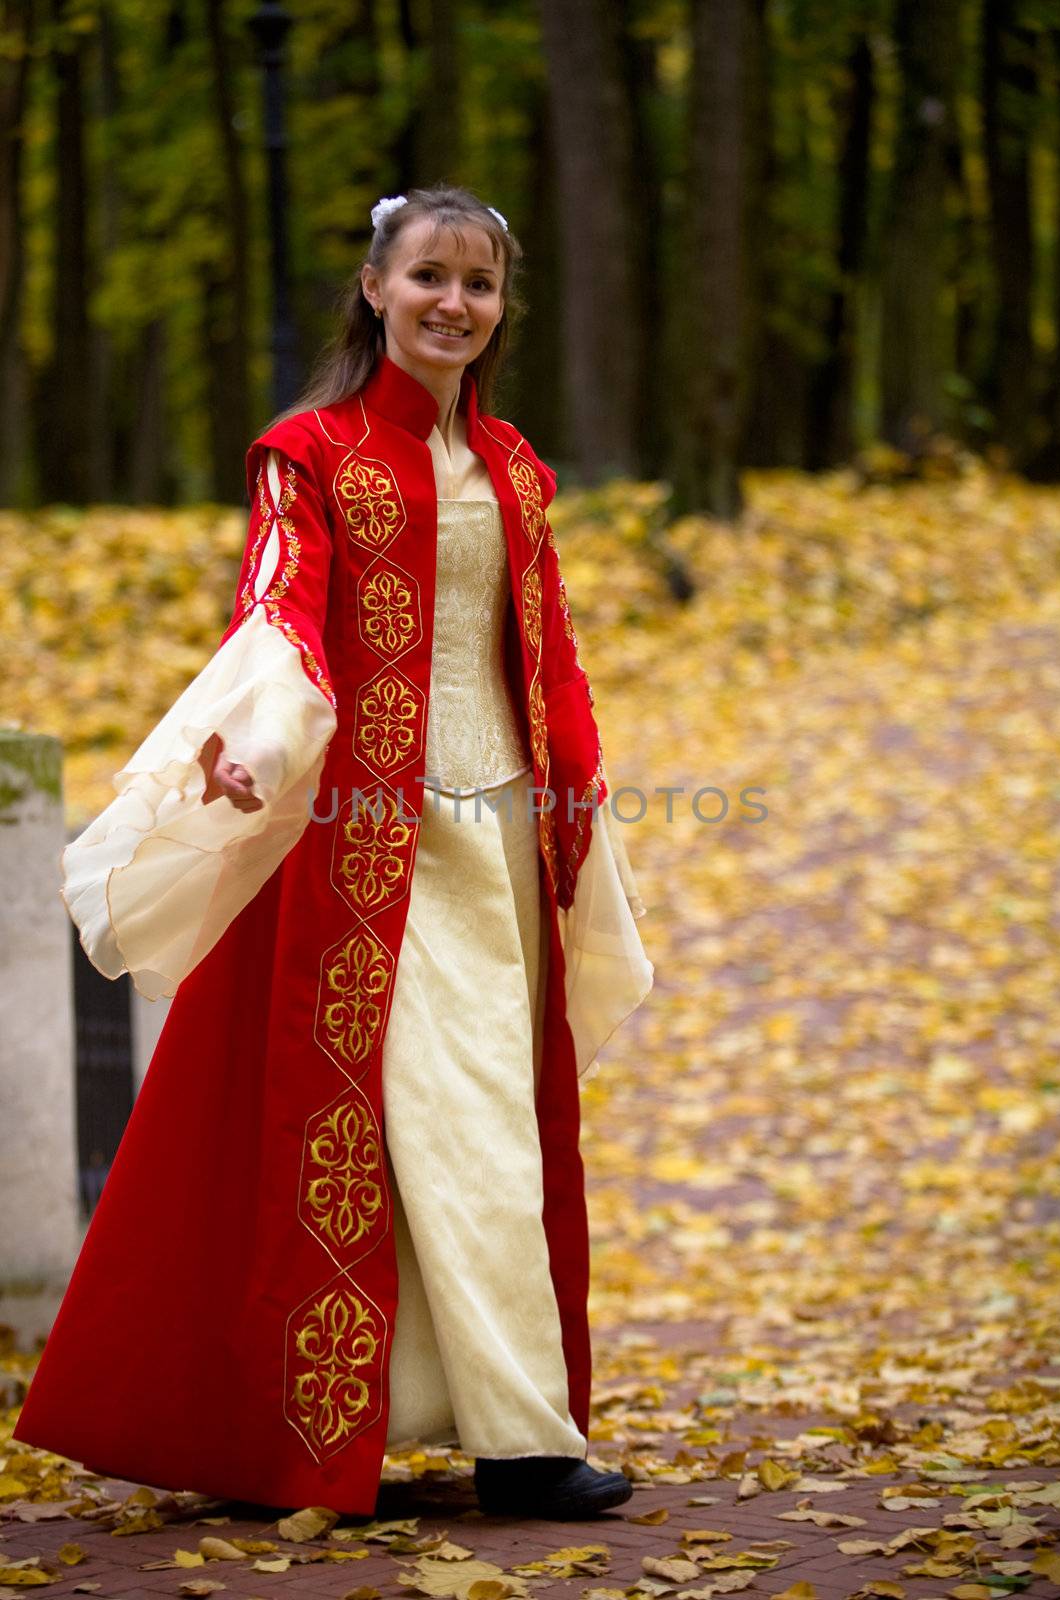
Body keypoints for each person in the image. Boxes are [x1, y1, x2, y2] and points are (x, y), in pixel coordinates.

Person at [13, 183, 654, 1521]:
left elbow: (545, 648)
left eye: (480, 283)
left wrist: (578, 793)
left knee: (488, 1132)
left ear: (501, 306)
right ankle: (521, 1445)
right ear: (376, 288)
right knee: (451, 1121)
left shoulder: (521, 468)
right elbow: (279, 607)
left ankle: (480, 1411)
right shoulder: (308, 453)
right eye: (429, 276)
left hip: (502, 843)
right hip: (371, 847)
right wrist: (247, 740)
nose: (454, 304)